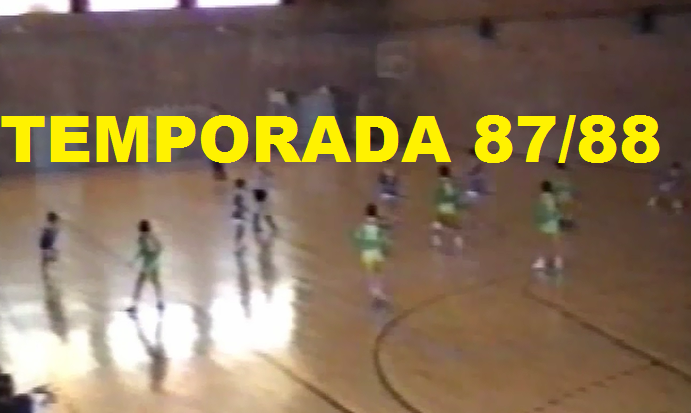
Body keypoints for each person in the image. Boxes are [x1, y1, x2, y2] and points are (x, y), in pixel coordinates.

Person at [352, 204, 390, 304]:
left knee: (370, 274)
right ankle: (379, 292)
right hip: (376, 252)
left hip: (366, 253)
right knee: (379, 273)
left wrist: (362, 244)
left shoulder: (363, 225)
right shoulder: (378, 224)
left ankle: (373, 292)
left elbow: (357, 236)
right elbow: (384, 236)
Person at [127, 220, 164, 314]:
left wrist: (148, 263)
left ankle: (134, 306)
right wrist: (134, 261)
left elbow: (157, 249)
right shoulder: (144, 238)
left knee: (139, 284)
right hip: (153, 264)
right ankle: (160, 302)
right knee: (155, 283)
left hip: (148, 265)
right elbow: (143, 251)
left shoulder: (147, 238)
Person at [431, 165, 464, 250]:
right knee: (454, 226)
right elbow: (455, 195)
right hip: (451, 208)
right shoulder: (452, 183)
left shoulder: (441, 183)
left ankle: (437, 240)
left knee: (437, 225)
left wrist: (437, 203)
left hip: (443, 208)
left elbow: (439, 196)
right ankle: (458, 241)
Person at [532, 180, 563, 271]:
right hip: (554, 222)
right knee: (556, 242)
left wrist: (538, 220)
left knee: (542, 242)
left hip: (545, 222)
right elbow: (557, 208)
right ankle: (558, 261)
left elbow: (542, 210)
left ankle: (541, 261)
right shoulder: (554, 197)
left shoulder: (542, 197)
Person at [251, 165, 277, 239]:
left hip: (259, 190)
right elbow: (262, 169)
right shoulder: (259, 167)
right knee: (262, 208)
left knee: (260, 208)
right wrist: (269, 173)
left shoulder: (257, 169)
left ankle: (268, 225)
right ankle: (271, 225)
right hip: (260, 190)